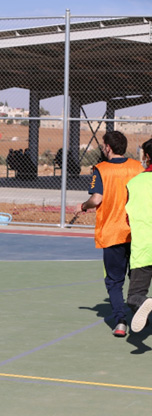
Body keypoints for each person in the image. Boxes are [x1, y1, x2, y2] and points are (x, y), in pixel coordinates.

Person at [75, 131, 143, 337]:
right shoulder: (136, 167)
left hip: (113, 231)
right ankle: (141, 311)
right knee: (137, 277)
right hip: (136, 230)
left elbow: (96, 199)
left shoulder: (101, 169)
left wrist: (83, 206)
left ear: (108, 147)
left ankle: (120, 321)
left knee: (114, 280)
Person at [126, 138, 152, 332]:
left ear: (146, 156)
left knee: (135, 296)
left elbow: (127, 216)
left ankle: (144, 302)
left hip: (143, 247)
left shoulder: (134, 183)